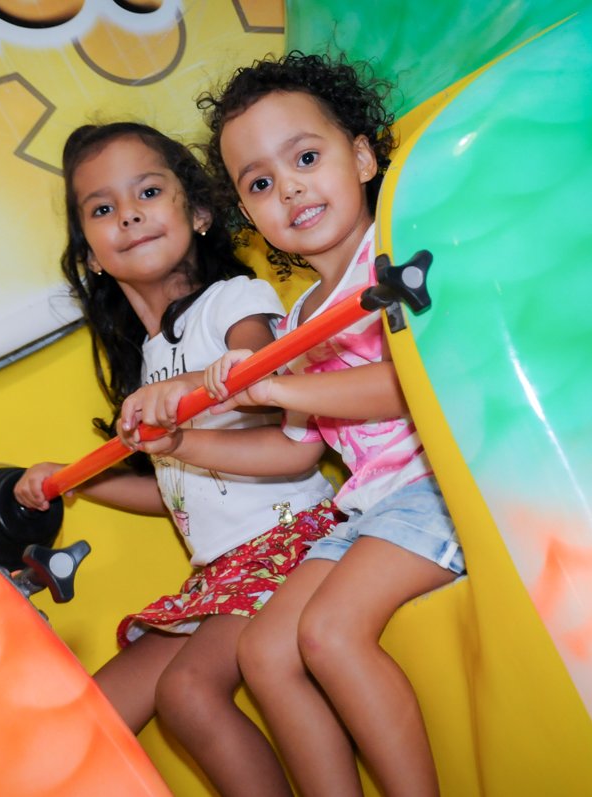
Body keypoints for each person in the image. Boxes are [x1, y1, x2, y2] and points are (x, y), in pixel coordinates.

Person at [118, 53, 466, 796]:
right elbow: (295, 448)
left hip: (442, 483)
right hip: (371, 505)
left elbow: (414, 388)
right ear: (249, 213)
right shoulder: (304, 317)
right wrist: (181, 439)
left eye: (307, 157)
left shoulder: (396, 261)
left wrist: (278, 380)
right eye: (262, 183)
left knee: (330, 633)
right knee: (269, 653)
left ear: (364, 155)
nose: (291, 188)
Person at [14, 122, 337, 797]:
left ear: (197, 211)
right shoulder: (148, 364)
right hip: (220, 571)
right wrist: (73, 485)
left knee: (189, 691)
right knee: (89, 712)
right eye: (102, 209)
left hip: (290, 542)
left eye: (148, 192)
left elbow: (261, 372)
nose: (127, 214)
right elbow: (178, 487)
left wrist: (181, 396)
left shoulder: (235, 301)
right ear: (93, 254)